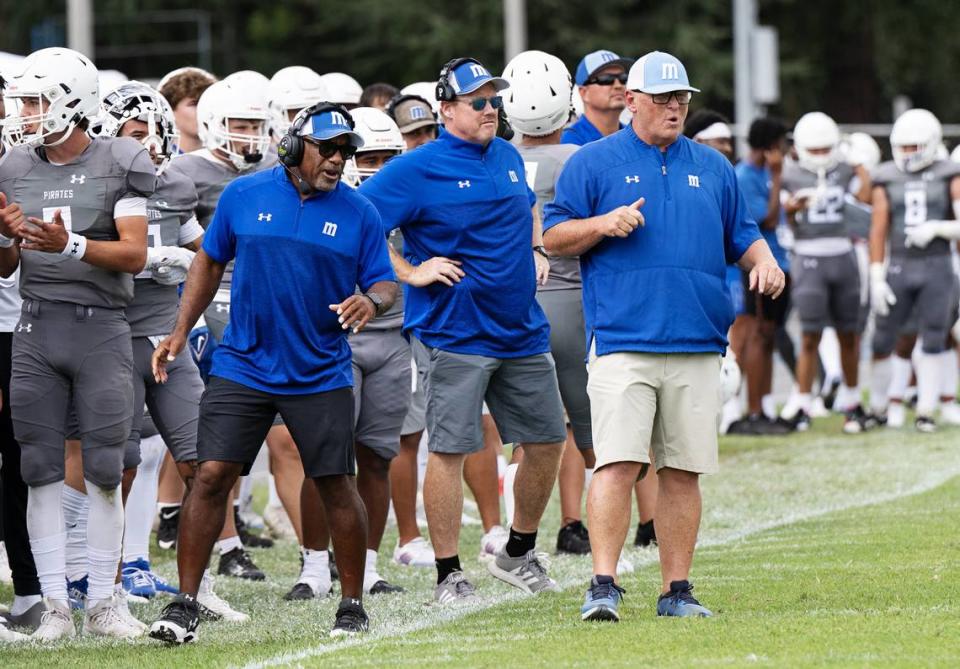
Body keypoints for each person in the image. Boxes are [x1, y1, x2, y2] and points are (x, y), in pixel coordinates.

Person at [543, 51, 784, 622]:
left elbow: (743, 234)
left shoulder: (714, 166)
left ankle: (677, 589)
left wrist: (765, 259)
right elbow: (553, 235)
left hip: (698, 338)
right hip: (625, 337)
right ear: (632, 101)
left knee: (683, 470)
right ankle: (603, 583)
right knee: (619, 463)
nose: (676, 108)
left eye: (683, 98)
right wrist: (603, 224)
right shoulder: (593, 162)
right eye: (664, 98)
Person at [148, 103, 396, 643]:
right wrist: (177, 330)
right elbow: (208, 262)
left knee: (334, 482)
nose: (337, 159)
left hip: (320, 370)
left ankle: (351, 603)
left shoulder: (360, 212)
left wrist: (370, 305)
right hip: (243, 363)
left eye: (344, 151)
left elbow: (384, 282)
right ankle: (186, 602)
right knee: (211, 475)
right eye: (327, 148)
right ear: (291, 147)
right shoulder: (244, 194)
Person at [359, 57, 567, 604]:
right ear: (446, 110)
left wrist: (537, 244)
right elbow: (361, 223)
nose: (490, 110)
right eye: (478, 102)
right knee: (450, 450)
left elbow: (528, 207)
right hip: (454, 333)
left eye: (494, 100)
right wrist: (409, 271)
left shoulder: (505, 154)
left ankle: (518, 551)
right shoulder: (416, 168)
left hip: (521, 329)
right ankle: (448, 572)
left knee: (547, 441)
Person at [0, 48, 156, 640]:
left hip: (102, 327)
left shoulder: (122, 158)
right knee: (38, 468)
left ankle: (105, 602)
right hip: (37, 328)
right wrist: (5, 235)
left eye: (37, 101)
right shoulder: (12, 166)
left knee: (105, 470)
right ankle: (57, 609)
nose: (27, 113)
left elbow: (135, 253)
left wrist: (71, 246)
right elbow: (6, 266)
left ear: (73, 101)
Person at [287, 107, 408, 599]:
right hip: (333, 340)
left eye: (387, 157)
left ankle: (369, 564)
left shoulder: (385, 203)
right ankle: (314, 566)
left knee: (377, 456)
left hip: (391, 337)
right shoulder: (323, 201)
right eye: (369, 156)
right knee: (327, 459)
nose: (376, 166)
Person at [167, 76, 278, 580]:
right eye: (241, 124)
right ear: (214, 124)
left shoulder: (276, 170)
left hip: (263, 306)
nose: (250, 135)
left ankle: (234, 530)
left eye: (257, 124)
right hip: (207, 310)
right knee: (207, 435)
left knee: (245, 438)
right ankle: (216, 536)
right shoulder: (185, 171)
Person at [502, 49, 593, 555]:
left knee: (528, 433)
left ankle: (513, 535)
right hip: (570, 297)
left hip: (510, 302)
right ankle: (601, 536)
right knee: (591, 432)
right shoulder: (582, 159)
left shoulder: (496, 157)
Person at [779, 112, 872, 433]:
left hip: (843, 254)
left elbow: (866, 200)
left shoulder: (846, 168)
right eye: (814, 150)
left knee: (849, 333)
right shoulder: (789, 173)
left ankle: (851, 402)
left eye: (825, 149)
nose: (820, 156)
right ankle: (804, 402)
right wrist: (791, 210)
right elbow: (784, 219)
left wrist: (859, 164)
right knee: (809, 335)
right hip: (808, 257)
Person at [868, 109, 960, 432]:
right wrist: (876, 276)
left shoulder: (950, 172)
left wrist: (938, 228)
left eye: (914, 147)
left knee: (935, 336)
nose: (908, 154)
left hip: (936, 265)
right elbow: (878, 229)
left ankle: (926, 409)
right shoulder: (885, 176)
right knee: (884, 337)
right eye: (903, 147)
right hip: (899, 265)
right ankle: (883, 404)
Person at [0, 71, 43, 644]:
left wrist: (12, 236)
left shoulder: (16, 162)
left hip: (14, 325)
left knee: (18, 459)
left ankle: (31, 588)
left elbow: (7, 266)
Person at [728, 117, 795, 435]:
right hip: (759, 267)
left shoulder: (765, 174)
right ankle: (753, 411)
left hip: (780, 262)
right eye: (780, 141)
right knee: (756, 335)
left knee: (769, 335)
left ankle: (765, 407)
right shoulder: (745, 175)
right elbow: (765, 220)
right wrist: (779, 176)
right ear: (770, 145)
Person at [562, 50, 633, 146]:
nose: (618, 85)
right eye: (606, 79)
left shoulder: (634, 137)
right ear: (583, 93)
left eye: (623, 78)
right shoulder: (569, 142)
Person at [158, 67, 217, 154]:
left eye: (208, 103)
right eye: (194, 103)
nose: (204, 109)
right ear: (169, 109)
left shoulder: (225, 159)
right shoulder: (160, 163)